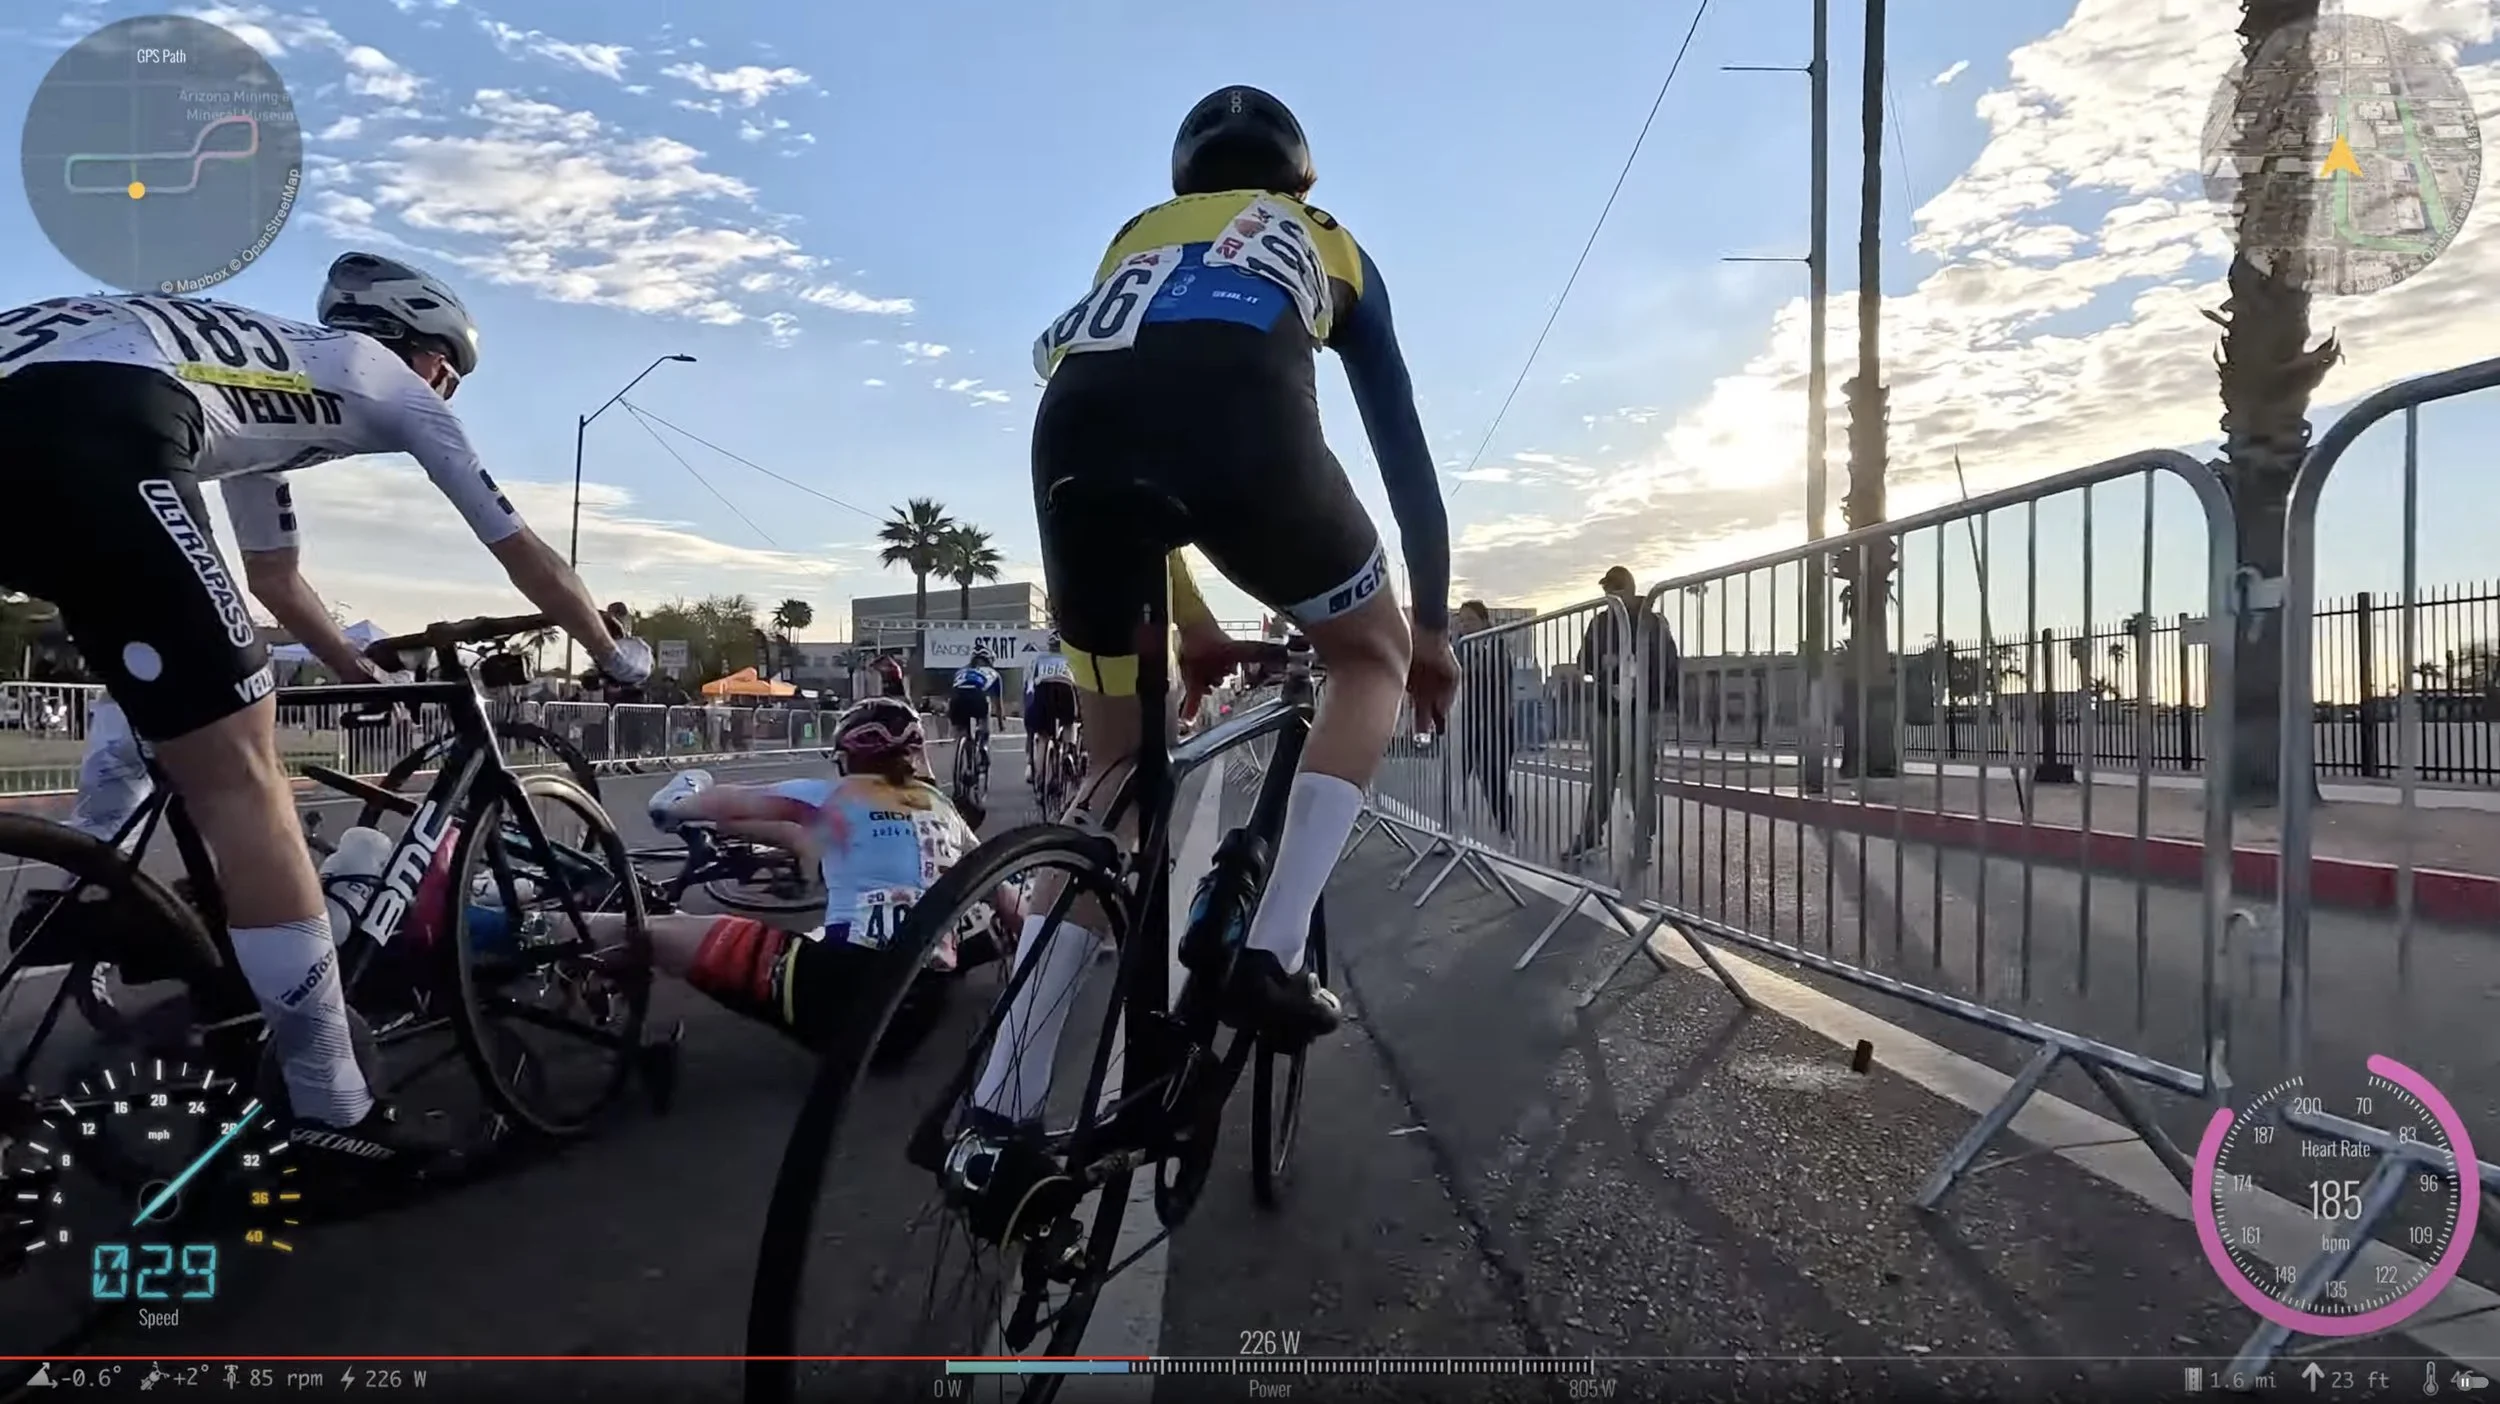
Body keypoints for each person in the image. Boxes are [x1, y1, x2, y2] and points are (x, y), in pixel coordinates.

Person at [0, 255, 654, 1185]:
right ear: (426, 353)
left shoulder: (258, 386)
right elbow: (528, 557)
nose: (445, 392)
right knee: (244, 773)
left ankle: (94, 881)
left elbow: (273, 578)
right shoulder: (385, 379)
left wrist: (356, 669)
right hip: (98, 418)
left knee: (175, 689)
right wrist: (613, 654)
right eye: (451, 375)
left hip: (53, 392)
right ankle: (332, 1113)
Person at [986, 80, 1460, 1128]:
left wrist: (1191, 622)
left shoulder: (1134, 237)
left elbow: (1129, 430)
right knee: (1366, 658)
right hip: (1246, 428)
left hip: (1073, 433)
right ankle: (1270, 945)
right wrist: (1427, 627)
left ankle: (998, 1106)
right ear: (1304, 176)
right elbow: (1403, 453)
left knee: (1115, 776)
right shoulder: (1322, 234)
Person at [533, 698, 1024, 1062]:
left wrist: (692, 782)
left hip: (839, 994)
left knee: (649, 930)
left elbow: (666, 809)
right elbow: (1013, 911)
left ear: (847, 758)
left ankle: (515, 928)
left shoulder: (829, 796)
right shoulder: (947, 814)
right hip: (917, 1014)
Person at [1563, 566, 1679, 863]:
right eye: (1606, 592)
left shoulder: (1651, 622)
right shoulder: (1600, 623)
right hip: (1608, 710)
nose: (1610, 597)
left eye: (1615, 590)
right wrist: (1602, 662)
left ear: (1629, 589)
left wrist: (1657, 699)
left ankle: (1642, 841)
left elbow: (1669, 664)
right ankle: (1590, 836)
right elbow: (1584, 662)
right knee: (1602, 777)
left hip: (1642, 712)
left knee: (1641, 779)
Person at [1452, 601, 1516, 836]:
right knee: (1455, 779)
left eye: (1469, 620)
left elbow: (1486, 673)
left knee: (1494, 782)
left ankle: (1505, 832)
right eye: (1462, 620)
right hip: (1467, 722)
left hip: (1495, 724)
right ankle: (1451, 831)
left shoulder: (1497, 644)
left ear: (1484, 621)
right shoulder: (1460, 646)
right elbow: (1453, 672)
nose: (1465, 625)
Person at [1022, 641, 1081, 793]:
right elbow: (1078, 684)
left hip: (1044, 690)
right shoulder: (1071, 659)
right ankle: (1069, 751)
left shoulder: (1039, 660)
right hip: (1065, 688)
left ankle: (1040, 777)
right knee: (1069, 723)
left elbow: (1030, 687)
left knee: (1043, 736)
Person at [945, 649, 1003, 781]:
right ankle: (983, 744)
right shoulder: (993, 673)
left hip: (957, 699)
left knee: (963, 732)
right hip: (977, 697)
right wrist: (1000, 722)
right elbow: (997, 703)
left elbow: (952, 692)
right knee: (984, 715)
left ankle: (964, 755)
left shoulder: (961, 672)